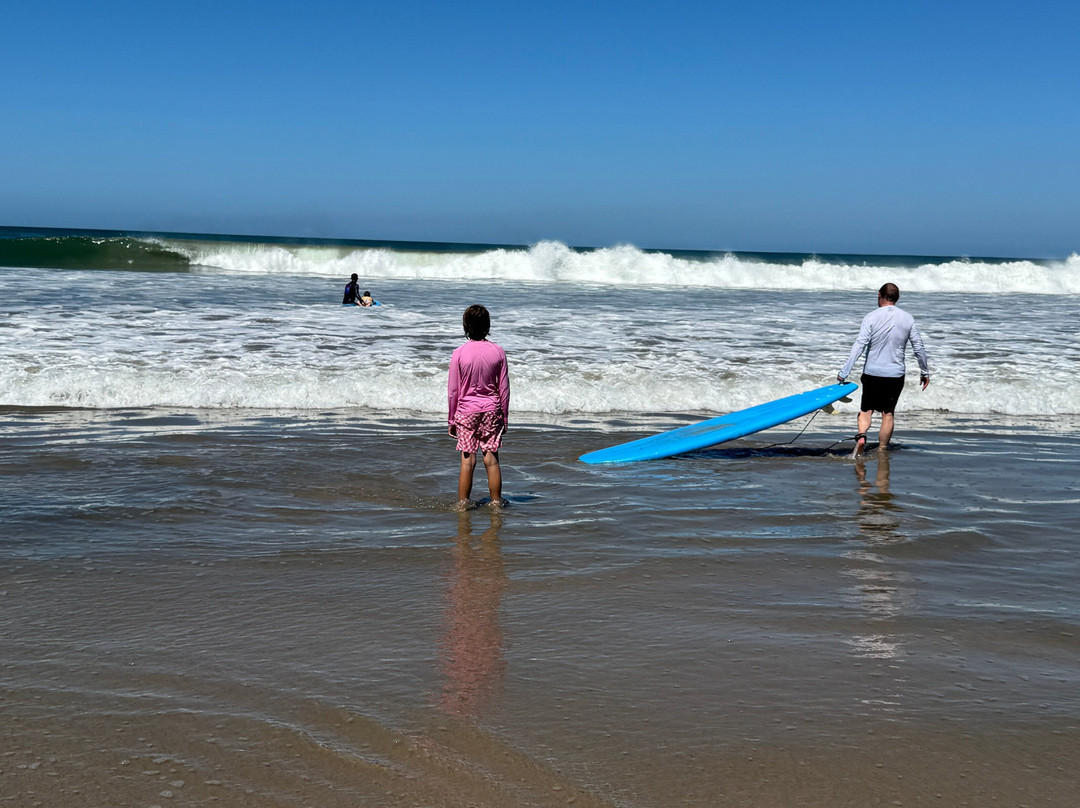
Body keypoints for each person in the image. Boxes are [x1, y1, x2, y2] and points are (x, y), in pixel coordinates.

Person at [837, 282, 930, 456]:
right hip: (895, 375)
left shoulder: (871, 317)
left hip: (872, 373)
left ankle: (862, 435)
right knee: (888, 413)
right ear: (897, 298)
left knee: (866, 410)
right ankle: (882, 450)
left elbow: (859, 345)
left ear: (879, 295)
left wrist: (844, 372)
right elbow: (919, 348)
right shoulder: (908, 318)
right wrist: (924, 371)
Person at [448, 304, 510, 510]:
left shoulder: (459, 353)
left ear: (466, 326)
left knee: (467, 461)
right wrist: (505, 417)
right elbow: (504, 389)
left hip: (466, 411)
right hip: (492, 409)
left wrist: (451, 419)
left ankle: (463, 503)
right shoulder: (498, 352)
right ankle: (495, 502)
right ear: (487, 325)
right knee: (491, 460)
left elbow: (453, 391)